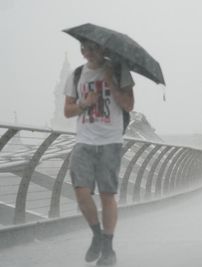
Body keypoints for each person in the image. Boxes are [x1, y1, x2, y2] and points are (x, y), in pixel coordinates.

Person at [64, 39, 134, 265]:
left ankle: (108, 247)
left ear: (103, 48)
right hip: (84, 141)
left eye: (92, 48)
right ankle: (97, 235)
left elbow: (129, 105)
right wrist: (86, 103)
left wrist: (111, 84)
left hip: (110, 142)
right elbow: (67, 110)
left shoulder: (118, 70)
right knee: (81, 192)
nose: (87, 52)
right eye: (83, 48)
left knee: (107, 195)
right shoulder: (76, 75)